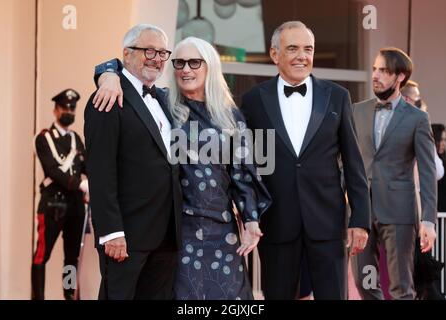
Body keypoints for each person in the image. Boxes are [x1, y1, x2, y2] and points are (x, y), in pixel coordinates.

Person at [92, 36, 271, 300]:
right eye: (179, 62)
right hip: (178, 232)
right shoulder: (164, 105)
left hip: (222, 232)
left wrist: (251, 219)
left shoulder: (230, 115)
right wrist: (107, 75)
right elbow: (126, 72)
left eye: (194, 62)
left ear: (209, 67)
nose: (186, 69)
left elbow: (242, 172)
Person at [240, 21, 371, 300]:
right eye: (293, 48)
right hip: (275, 222)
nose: (302, 55)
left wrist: (360, 218)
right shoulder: (252, 100)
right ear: (275, 54)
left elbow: (353, 161)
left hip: (327, 223)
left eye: (308, 49)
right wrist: (249, 214)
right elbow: (247, 165)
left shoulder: (337, 96)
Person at [84, 24, 183, 300]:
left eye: (163, 52)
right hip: (126, 237)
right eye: (149, 50)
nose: (157, 58)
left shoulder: (164, 99)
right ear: (126, 54)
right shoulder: (107, 97)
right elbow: (101, 172)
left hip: (166, 237)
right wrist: (111, 232)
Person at [351, 47, 437, 300]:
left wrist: (429, 221)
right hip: (362, 212)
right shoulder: (358, 110)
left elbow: (428, 171)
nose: (375, 75)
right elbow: (347, 159)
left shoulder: (417, 119)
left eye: (384, 71)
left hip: (399, 212)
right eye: (375, 69)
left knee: (401, 288)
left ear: (400, 77)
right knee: (364, 282)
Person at [32, 89, 88, 300]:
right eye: (65, 108)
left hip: (75, 207)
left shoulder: (76, 138)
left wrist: (92, 182)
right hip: (53, 205)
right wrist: (80, 184)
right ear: (56, 110)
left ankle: (69, 295)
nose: (69, 112)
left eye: (72, 108)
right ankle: (38, 297)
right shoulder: (44, 138)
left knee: (71, 258)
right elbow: (53, 170)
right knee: (41, 256)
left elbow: (87, 166)